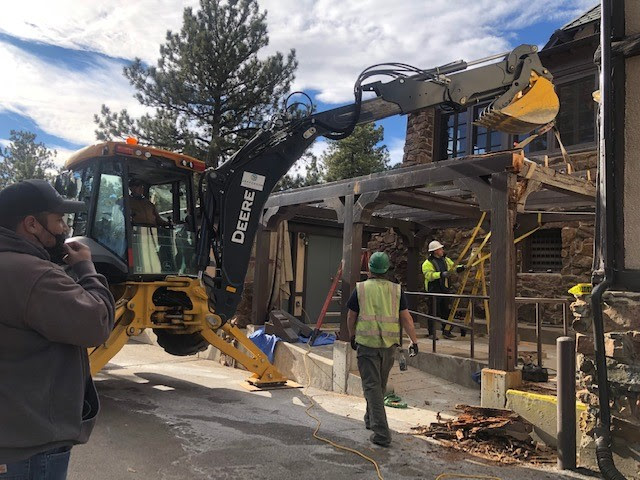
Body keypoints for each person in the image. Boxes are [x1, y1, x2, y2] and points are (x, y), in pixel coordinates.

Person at [0, 179, 115, 479]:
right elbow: (98, 323)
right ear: (32, 225)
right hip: (30, 446)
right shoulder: (33, 275)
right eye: (59, 220)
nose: (64, 228)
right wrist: (87, 270)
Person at [346, 252, 419, 447]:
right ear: (387, 270)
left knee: (371, 387)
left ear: (369, 269)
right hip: (388, 346)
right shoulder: (396, 290)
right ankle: (370, 419)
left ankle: (381, 434)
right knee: (377, 386)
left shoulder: (360, 289)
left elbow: (351, 316)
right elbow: (406, 318)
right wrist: (414, 341)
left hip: (367, 345)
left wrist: (352, 335)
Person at [422, 240, 465, 339]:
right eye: (440, 249)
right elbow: (429, 275)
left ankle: (446, 331)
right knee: (432, 312)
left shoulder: (445, 260)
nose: (442, 250)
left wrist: (461, 268)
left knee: (445, 311)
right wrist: (441, 274)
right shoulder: (427, 263)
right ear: (435, 251)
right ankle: (431, 333)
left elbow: (453, 267)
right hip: (433, 289)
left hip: (444, 288)